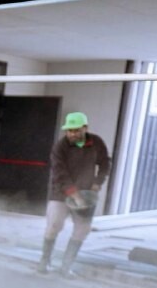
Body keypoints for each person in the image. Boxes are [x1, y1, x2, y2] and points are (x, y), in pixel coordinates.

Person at [37, 111, 110, 277]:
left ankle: (66, 266)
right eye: (69, 130)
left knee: (83, 229)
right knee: (54, 225)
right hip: (60, 192)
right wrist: (73, 194)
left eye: (76, 130)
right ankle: (44, 260)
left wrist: (97, 183)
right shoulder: (60, 146)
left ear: (85, 128)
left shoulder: (96, 143)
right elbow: (59, 173)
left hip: (86, 193)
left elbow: (105, 164)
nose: (72, 134)